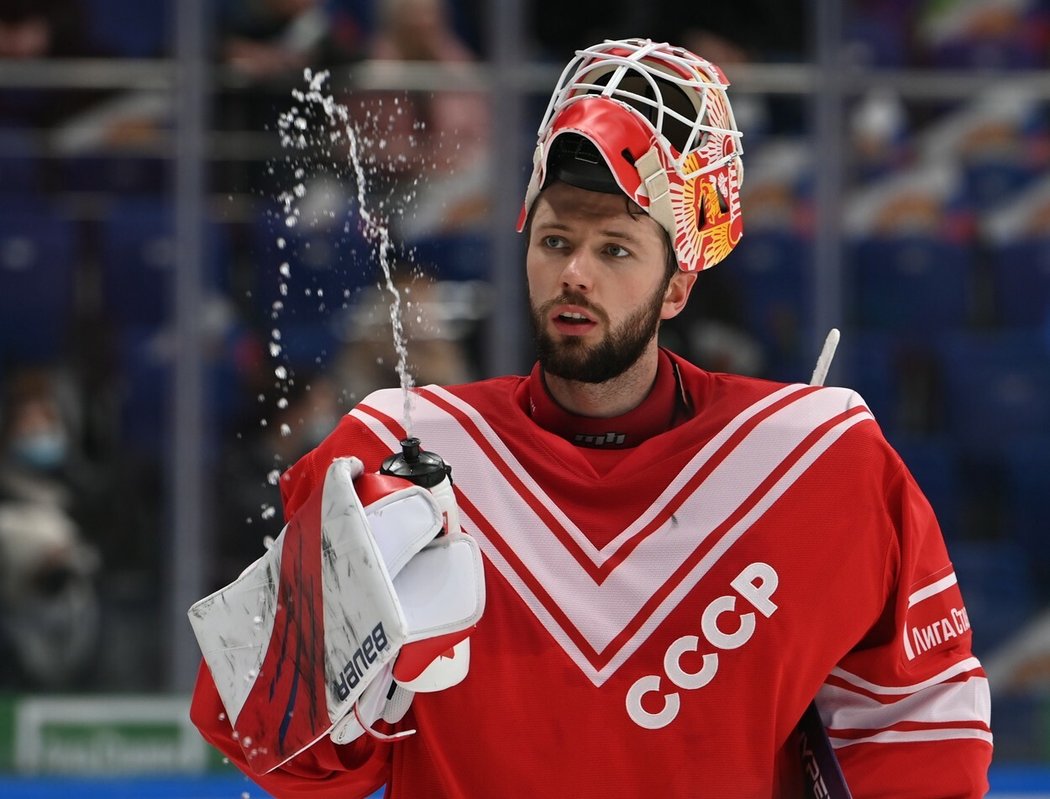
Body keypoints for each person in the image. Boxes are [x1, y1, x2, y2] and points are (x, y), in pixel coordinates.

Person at [190, 38, 992, 797]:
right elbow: (269, 748)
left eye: (615, 249)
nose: (574, 273)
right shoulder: (395, 456)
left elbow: (923, 743)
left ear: (677, 284)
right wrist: (342, 658)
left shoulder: (820, 465)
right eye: (554, 240)